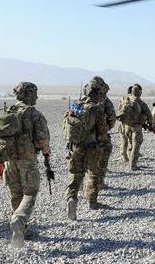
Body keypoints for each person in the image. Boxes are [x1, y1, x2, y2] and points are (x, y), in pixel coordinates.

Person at [0, 82, 51, 248]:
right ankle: (19, 220)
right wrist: (46, 151)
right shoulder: (34, 114)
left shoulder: (7, 112)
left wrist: (0, 162)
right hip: (28, 159)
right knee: (30, 193)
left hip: (9, 160)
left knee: (16, 193)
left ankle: (20, 231)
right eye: (35, 93)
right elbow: (42, 139)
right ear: (30, 94)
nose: (37, 96)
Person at [64, 79, 110, 219]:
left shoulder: (75, 105)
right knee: (93, 173)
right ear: (96, 93)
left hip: (76, 146)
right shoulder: (96, 108)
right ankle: (92, 202)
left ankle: (72, 199)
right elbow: (102, 131)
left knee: (75, 174)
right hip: (92, 147)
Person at [118, 84, 153, 170]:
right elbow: (149, 115)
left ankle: (130, 161)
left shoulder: (126, 99)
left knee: (130, 144)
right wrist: (150, 123)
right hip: (136, 127)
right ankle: (133, 165)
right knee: (136, 145)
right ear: (139, 93)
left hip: (126, 126)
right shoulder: (139, 101)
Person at [117, 86, 133, 162]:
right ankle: (130, 155)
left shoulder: (122, 98)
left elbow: (119, 109)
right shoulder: (133, 99)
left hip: (123, 121)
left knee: (123, 139)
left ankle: (124, 155)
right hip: (131, 123)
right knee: (131, 140)